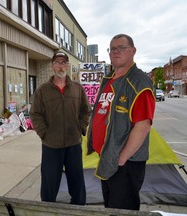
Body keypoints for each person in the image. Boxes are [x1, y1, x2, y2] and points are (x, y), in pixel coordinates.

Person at [87, 34, 155, 210]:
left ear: (133, 51)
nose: (116, 52)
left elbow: (143, 126)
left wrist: (121, 159)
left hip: (125, 163)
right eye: (113, 49)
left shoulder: (139, 82)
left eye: (121, 48)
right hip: (108, 157)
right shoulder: (109, 79)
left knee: (124, 210)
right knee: (111, 207)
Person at [30, 51, 91, 205]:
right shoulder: (42, 90)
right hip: (51, 146)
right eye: (57, 63)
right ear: (52, 66)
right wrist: (44, 133)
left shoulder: (77, 88)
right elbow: (35, 114)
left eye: (64, 63)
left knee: (77, 183)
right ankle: (47, 210)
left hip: (74, 145)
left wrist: (81, 129)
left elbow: (86, 111)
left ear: (68, 66)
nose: (61, 66)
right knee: (49, 186)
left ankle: (78, 209)